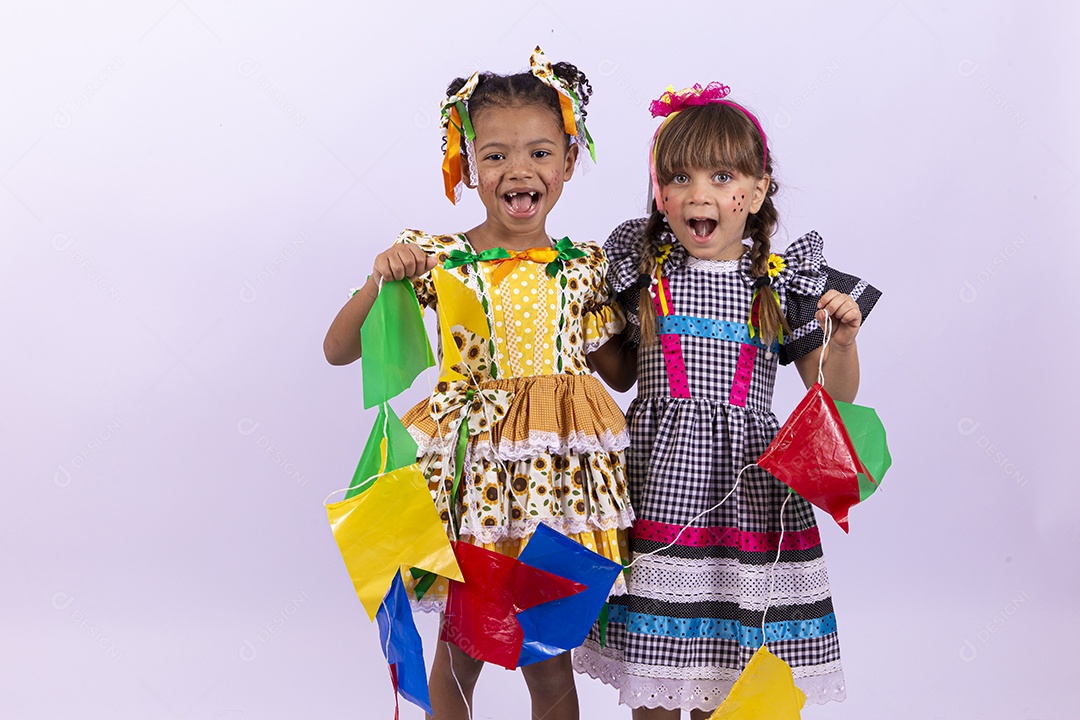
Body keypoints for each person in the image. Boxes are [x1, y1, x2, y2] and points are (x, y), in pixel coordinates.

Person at [323, 48, 634, 720]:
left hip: (555, 481)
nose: (518, 171)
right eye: (494, 155)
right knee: (460, 653)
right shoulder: (443, 261)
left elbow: (625, 371)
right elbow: (337, 350)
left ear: (569, 162)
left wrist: (656, 304)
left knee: (548, 660)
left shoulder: (583, 267)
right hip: (474, 482)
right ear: (466, 165)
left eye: (539, 153)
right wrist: (383, 276)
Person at [573, 83, 881, 719]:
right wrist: (572, 328)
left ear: (759, 190)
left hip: (751, 494)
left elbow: (829, 398)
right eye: (678, 177)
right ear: (660, 193)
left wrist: (843, 341)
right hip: (658, 485)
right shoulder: (646, 269)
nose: (698, 194)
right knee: (657, 677)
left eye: (722, 176)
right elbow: (624, 373)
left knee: (734, 680)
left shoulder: (778, 280)